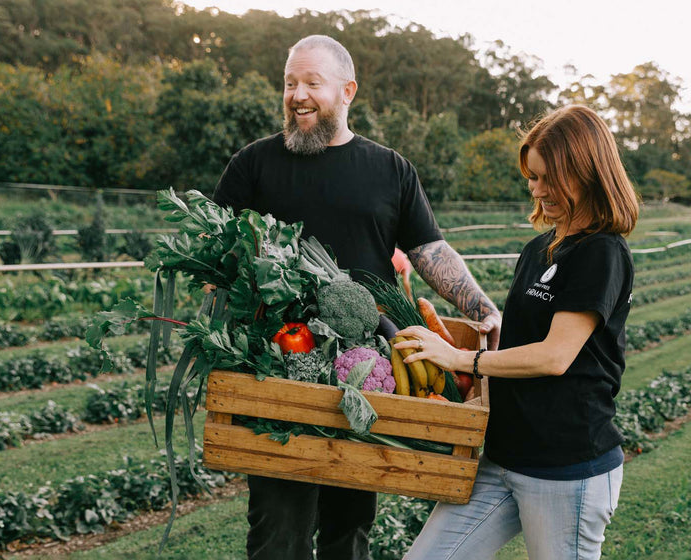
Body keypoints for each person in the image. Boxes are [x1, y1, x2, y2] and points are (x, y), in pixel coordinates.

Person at [211, 34, 502, 560]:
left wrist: (482, 310)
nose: (298, 95)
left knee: (348, 534)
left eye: (311, 84)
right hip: (279, 375)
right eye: (289, 83)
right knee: (279, 533)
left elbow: (430, 250)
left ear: (347, 91)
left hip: (362, 374)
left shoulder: (389, 170)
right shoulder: (253, 165)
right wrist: (223, 273)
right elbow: (215, 255)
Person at [395, 104, 640, 560]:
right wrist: (493, 338)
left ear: (586, 172)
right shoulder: (540, 249)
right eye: (532, 175)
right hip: (503, 458)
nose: (536, 188)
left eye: (549, 177)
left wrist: (461, 360)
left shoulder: (601, 253)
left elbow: (554, 356)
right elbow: (531, 337)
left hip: (567, 468)